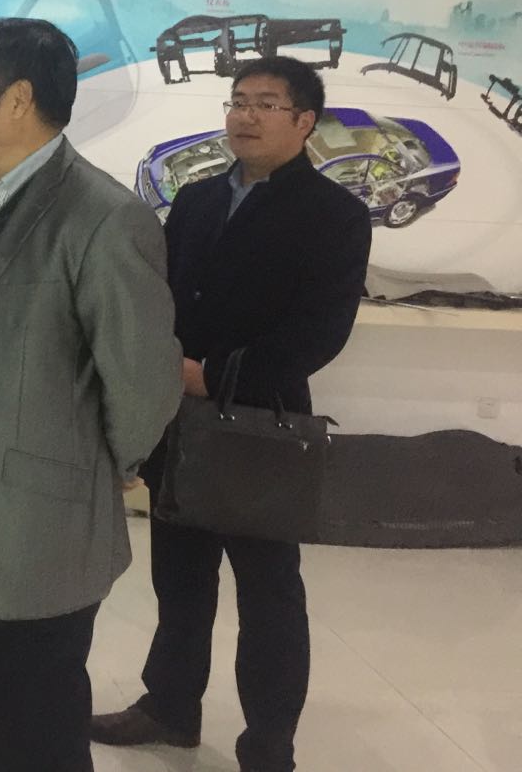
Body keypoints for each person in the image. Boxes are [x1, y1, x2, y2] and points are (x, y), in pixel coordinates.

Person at [0, 17, 183, 772]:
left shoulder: (103, 218)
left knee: (30, 736)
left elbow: (145, 385)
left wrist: (87, 469)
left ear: (17, 99)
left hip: (35, 534)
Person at [91, 56, 371, 772]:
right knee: (180, 578)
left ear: (304, 122)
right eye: (238, 101)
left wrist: (212, 375)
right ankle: (170, 707)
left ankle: (269, 745)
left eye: (265, 104)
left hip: (261, 425)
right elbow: (161, 298)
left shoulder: (334, 215)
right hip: (180, 420)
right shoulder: (197, 200)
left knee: (269, 592)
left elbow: (320, 332)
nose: (244, 115)